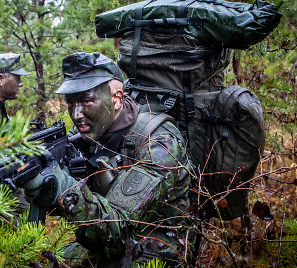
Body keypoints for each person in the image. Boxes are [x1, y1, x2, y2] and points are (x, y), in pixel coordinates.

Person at [21, 52, 197, 267]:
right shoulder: (94, 133)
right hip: (109, 232)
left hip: (157, 241)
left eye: (87, 101)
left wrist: (65, 191)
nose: (76, 115)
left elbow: (120, 231)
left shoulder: (157, 144)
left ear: (117, 99)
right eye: (71, 102)